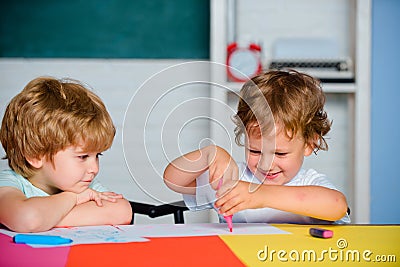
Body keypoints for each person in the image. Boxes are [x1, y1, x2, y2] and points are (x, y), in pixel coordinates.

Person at [164, 70, 350, 224]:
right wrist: (209, 154)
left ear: (310, 144)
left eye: (280, 153)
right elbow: (173, 179)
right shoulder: (233, 180)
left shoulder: (309, 182)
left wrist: (260, 195)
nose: (266, 164)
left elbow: (337, 206)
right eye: (255, 151)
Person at [0, 77, 132, 232]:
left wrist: (46, 219)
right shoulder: (9, 183)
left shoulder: (85, 186)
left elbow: (122, 211)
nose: (94, 168)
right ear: (35, 155)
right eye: (82, 157)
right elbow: (27, 219)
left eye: (97, 156)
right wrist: (73, 198)